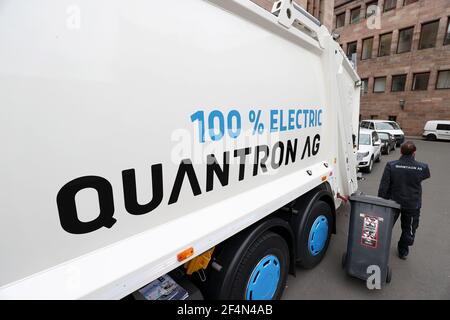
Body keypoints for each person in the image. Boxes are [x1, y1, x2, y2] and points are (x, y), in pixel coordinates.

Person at [378, 141, 430, 260]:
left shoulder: (391, 165)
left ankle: (380, 248)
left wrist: (381, 201)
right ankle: (403, 251)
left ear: (401, 151)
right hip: (412, 205)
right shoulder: (423, 167)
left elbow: (384, 186)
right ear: (414, 153)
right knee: (409, 229)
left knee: (385, 226)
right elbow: (425, 176)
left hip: (392, 203)